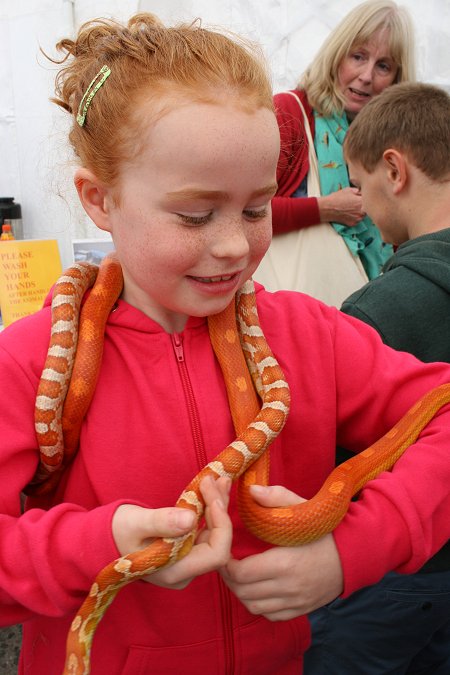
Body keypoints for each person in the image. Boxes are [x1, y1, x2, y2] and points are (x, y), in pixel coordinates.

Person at [1, 13, 450, 675]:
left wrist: (348, 551)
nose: (236, 245)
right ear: (100, 199)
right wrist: (99, 542)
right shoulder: (31, 361)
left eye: (256, 207)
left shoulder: (311, 334)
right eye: (194, 214)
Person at [304, 82, 450, 675]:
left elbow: (330, 461)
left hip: (390, 581)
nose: (360, 203)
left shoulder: (374, 313)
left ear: (395, 170)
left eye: (360, 187)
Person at [254, 0, 416, 304]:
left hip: (356, 323)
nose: (366, 76)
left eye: (383, 66)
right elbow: (241, 213)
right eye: (358, 56)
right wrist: (323, 208)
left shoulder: (392, 147)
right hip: (284, 319)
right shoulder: (291, 112)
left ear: (397, 78)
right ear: (337, 55)